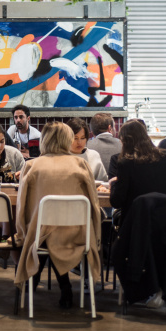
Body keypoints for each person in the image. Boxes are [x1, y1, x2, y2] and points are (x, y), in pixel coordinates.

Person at [14, 122, 101, 309]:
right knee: (55, 232)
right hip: (78, 235)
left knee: (47, 233)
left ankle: (33, 283)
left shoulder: (31, 166)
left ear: (44, 139)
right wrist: (96, 236)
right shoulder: (81, 165)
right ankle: (63, 287)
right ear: (67, 140)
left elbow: (21, 208)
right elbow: (94, 204)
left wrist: (21, 234)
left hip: (41, 234)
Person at [108, 120, 166, 218]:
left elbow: (116, 202)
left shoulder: (125, 163)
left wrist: (113, 183)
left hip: (134, 221)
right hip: (163, 220)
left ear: (125, 141)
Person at [67, 117, 107, 182]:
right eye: (75, 138)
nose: (79, 142)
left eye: (82, 138)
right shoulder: (61, 156)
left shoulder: (94, 155)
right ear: (67, 138)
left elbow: (103, 180)